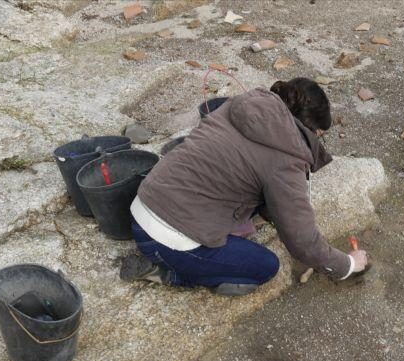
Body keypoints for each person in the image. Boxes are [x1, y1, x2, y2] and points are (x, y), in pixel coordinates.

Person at [120, 78, 368, 295]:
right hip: (168, 241)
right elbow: (302, 241)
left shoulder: (241, 107)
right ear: (312, 129)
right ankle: (169, 274)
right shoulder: (286, 158)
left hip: (143, 206)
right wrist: (347, 265)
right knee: (263, 267)